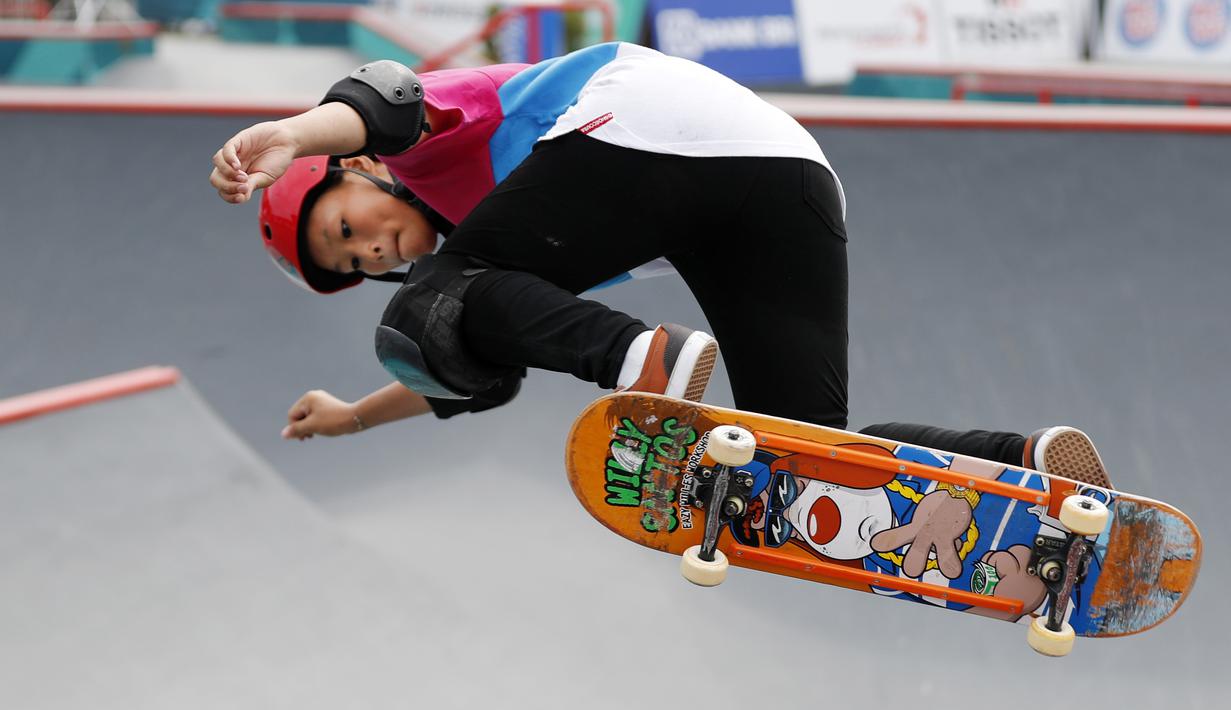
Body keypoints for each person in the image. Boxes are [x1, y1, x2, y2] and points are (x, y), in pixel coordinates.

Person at [209, 42, 1111, 490]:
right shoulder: (502, 262)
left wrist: (291, 133)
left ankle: (646, 362)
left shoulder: (420, 147)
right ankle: (1025, 470)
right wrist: (357, 420)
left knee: (423, 312)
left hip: (646, 120)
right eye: (353, 262)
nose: (371, 252)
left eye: (344, 227)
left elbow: (385, 98)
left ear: (354, 172)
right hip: (781, 175)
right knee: (793, 453)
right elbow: (467, 360)